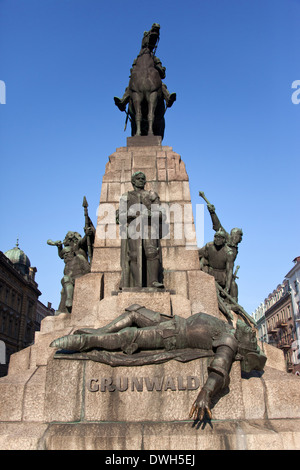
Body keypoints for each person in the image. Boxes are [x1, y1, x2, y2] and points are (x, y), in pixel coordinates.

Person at [50, 304, 267, 421]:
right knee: (134, 311)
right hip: (170, 322)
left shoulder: (229, 341)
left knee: (127, 337)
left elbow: (220, 368)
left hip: (169, 336)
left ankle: (87, 341)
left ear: (243, 347)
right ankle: (98, 332)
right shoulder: (228, 327)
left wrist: (206, 393)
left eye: (252, 339)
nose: (250, 332)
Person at [118, 171, 166, 288]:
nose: (141, 180)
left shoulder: (151, 195)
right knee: (134, 255)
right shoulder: (126, 196)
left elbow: (160, 214)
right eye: (138, 178)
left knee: (152, 252)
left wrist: (148, 214)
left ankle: (153, 281)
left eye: (143, 178)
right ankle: (137, 282)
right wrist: (131, 214)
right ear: (133, 181)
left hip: (149, 227)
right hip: (133, 228)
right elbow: (119, 215)